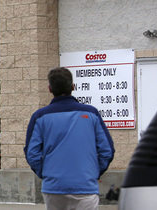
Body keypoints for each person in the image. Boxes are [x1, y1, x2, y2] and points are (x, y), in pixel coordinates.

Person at [25, 67, 115, 210]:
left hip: (54, 187)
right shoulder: (91, 113)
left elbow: (32, 153)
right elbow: (107, 150)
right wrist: (94, 172)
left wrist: (45, 173)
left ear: (49, 89)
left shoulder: (39, 117)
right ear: (73, 87)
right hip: (85, 186)